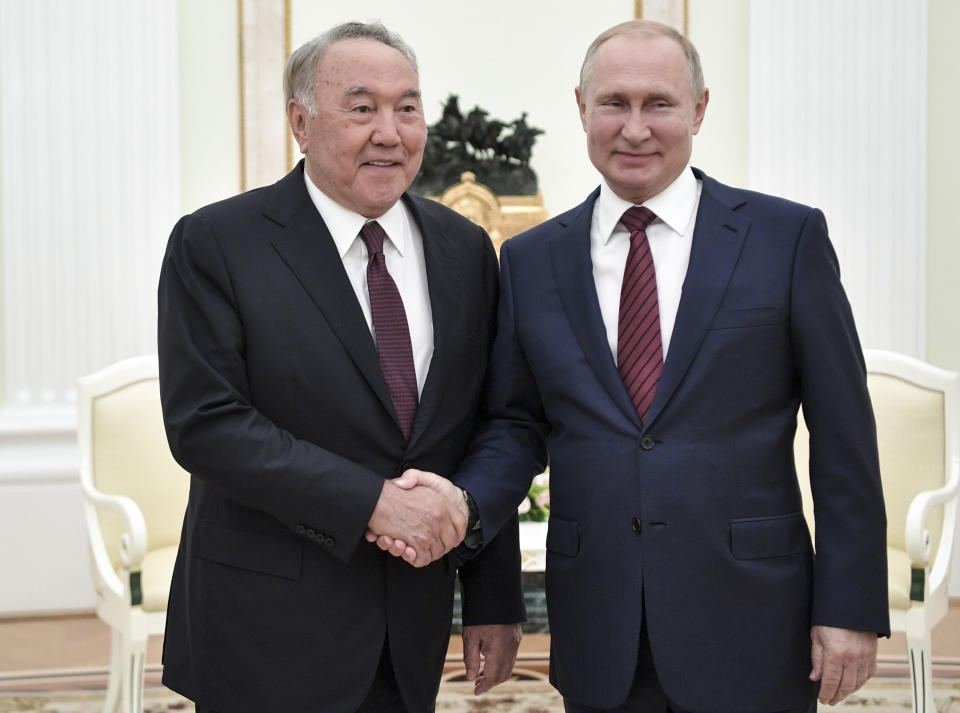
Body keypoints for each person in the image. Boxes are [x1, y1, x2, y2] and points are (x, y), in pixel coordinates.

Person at [376, 19, 889, 713]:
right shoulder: (531, 261)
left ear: (699, 109)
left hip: (752, 614)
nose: (636, 128)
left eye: (660, 104)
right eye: (615, 102)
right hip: (600, 621)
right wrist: (468, 530)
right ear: (581, 107)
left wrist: (850, 603)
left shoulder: (785, 238)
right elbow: (513, 425)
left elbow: (844, 433)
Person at [157, 21, 524, 713]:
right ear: (301, 121)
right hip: (263, 630)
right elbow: (207, 424)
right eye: (362, 108)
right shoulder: (217, 243)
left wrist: (492, 597)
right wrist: (373, 503)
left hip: (409, 629)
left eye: (407, 108)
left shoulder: (464, 249)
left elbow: (493, 420)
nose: (390, 131)